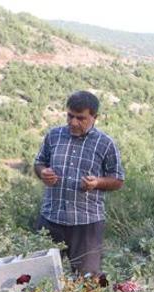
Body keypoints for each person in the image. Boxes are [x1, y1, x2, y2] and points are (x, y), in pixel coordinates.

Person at [33, 90, 124, 276]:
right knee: (39, 277)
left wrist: (97, 182)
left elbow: (118, 180)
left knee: (87, 281)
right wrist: (43, 172)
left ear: (94, 117)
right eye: (70, 116)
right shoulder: (54, 136)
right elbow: (38, 163)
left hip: (87, 225)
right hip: (51, 219)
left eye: (80, 118)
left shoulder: (105, 144)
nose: (73, 122)